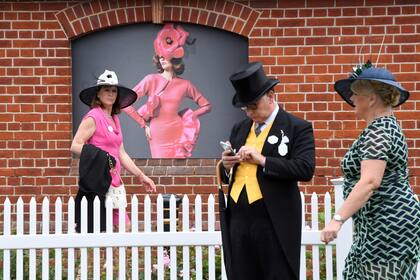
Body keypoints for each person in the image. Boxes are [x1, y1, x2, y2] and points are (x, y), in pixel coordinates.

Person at [321, 62, 420, 279]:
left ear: (372, 98)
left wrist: (337, 220)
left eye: (355, 94)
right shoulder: (382, 127)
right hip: (379, 223)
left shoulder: (380, 132)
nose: (352, 99)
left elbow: (369, 182)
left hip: (388, 225)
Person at [219, 62, 315, 280]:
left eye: (253, 105)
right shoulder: (239, 129)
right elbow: (229, 176)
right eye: (245, 108)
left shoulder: (297, 127)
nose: (250, 112)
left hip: (273, 218)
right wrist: (226, 166)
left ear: (271, 96)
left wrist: (263, 160)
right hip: (239, 218)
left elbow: (305, 168)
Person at [71, 69, 156, 233]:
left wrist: (141, 175)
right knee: (97, 230)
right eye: (106, 90)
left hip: (115, 182)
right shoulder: (93, 117)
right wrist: (101, 156)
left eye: (114, 91)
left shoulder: (115, 118)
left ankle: (113, 260)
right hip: (99, 182)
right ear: (98, 94)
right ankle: (103, 259)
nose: (110, 94)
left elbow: (121, 152)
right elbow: (75, 145)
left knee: (124, 227)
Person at [123, 23, 211, 158]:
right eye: (160, 56)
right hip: (157, 134)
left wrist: (191, 115)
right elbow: (124, 102)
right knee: (161, 171)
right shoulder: (150, 80)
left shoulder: (185, 84)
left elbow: (207, 105)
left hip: (178, 131)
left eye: (165, 55)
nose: (162, 59)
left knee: (178, 172)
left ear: (175, 57)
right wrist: (143, 124)